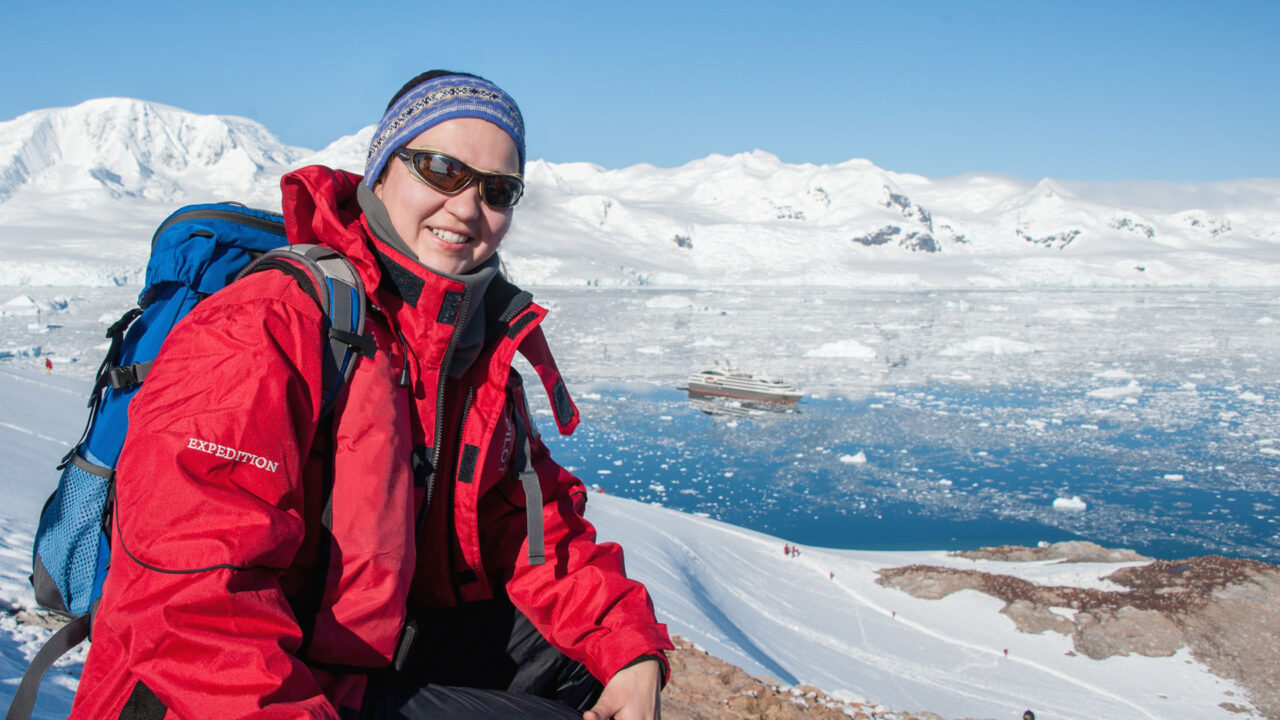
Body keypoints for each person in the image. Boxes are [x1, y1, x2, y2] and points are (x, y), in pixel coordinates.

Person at [69, 71, 673, 720]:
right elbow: (193, 602)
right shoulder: (266, 325)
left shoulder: (466, 349)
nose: (468, 207)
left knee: (581, 658)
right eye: (441, 169)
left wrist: (630, 647)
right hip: (207, 692)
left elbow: (527, 530)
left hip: (349, 657)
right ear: (380, 171)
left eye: (498, 189)